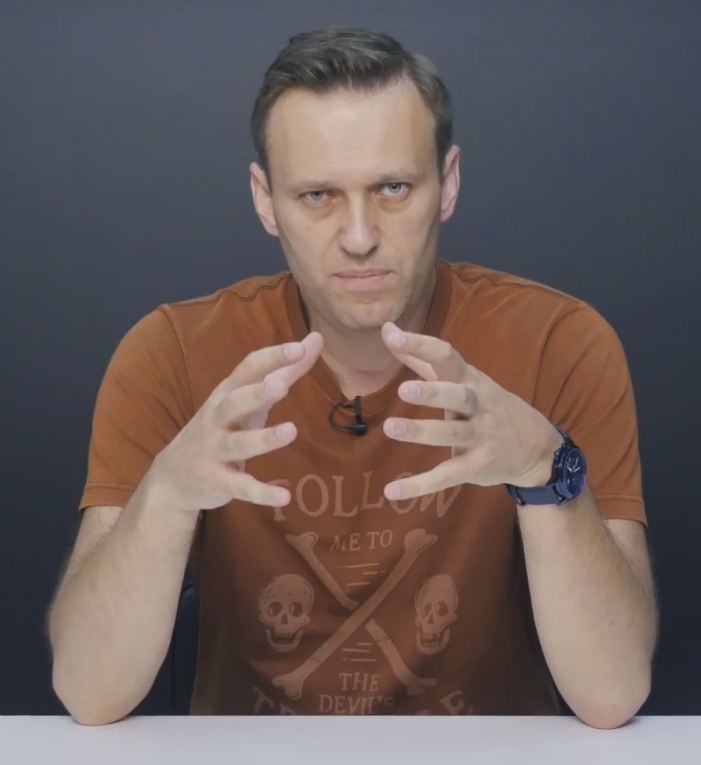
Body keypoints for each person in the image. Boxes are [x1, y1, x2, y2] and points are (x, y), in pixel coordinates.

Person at [47, 26, 658, 728]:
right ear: (265, 200)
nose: (360, 236)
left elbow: (611, 693)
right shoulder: (172, 355)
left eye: (393, 188)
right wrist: (167, 494)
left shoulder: (559, 344)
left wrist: (542, 467)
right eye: (317, 195)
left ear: (448, 184)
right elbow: (90, 692)